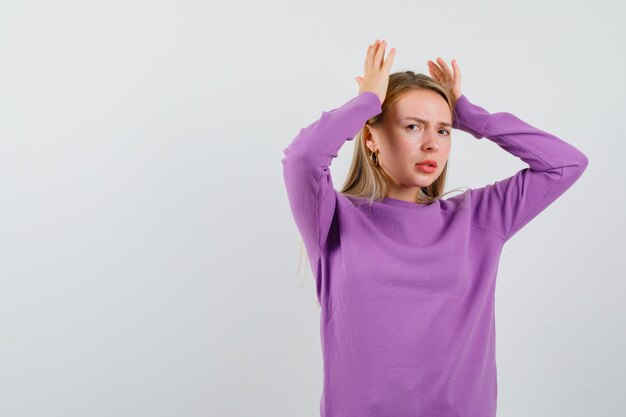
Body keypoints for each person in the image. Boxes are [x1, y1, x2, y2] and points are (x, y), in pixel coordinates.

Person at [281, 39, 588, 417]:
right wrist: (365, 103)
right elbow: (302, 159)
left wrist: (472, 118)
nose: (432, 145)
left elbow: (565, 164)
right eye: (413, 126)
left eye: (443, 131)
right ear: (371, 136)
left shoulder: (478, 218)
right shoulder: (333, 217)